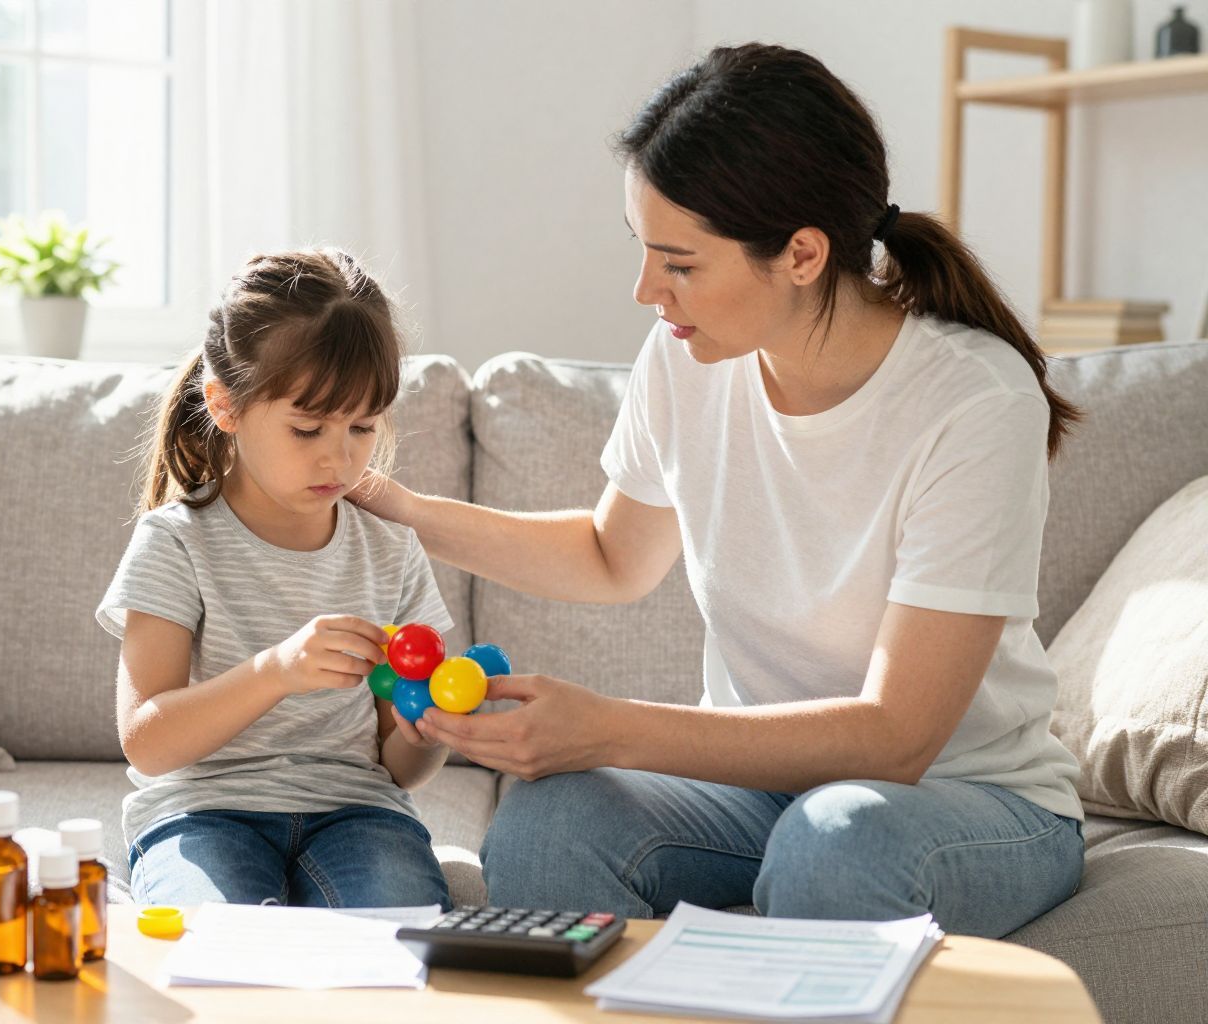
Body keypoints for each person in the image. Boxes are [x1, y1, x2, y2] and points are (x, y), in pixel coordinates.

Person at [352, 43, 1086, 937]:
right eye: (644, 251)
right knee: (550, 826)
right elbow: (611, 555)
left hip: (959, 801)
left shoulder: (973, 399)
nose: (645, 290)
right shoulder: (687, 357)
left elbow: (899, 737)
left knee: (836, 845)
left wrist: (608, 727)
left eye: (681, 262)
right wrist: (397, 508)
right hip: (758, 792)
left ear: (804, 253)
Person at [97, 248, 453, 910]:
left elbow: (397, 767)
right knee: (217, 955)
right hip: (203, 812)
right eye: (308, 427)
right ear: (225, 407)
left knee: (401, 944)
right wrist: (277, 670)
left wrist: (427, 726)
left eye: (362, 426)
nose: (340, 456)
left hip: (359, 813)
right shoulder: (176, 542)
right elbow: (147, 742)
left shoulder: (390, 551)